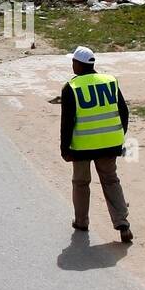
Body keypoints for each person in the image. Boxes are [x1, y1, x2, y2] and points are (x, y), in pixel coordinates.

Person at [61, 46, 132, 242]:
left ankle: (81, 221)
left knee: (81, 183)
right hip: (110, 145)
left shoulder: (71, 88)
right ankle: (122, 223)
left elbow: (67, 123)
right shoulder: (110, 81)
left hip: (82, 147)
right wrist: (118, 136)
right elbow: (124, 112)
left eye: (73, 61)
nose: (72, 64)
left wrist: (64, 149)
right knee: (111, 181)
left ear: (78, 64)